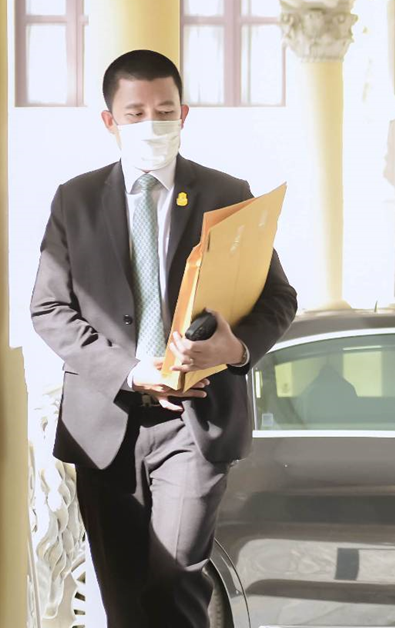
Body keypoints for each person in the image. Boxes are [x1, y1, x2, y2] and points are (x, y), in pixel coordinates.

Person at [30, 49, 297, 628]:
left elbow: (279, 298)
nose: (152, 124)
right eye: (136, 113)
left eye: (165, 111)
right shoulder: (75, 200)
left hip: (195, 420)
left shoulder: (228, 192)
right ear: (110, 121)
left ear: (184, 114)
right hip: (106, 422)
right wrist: (129, 371)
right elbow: (49, 309)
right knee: (122, 594)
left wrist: (235, 348)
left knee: (175, 577)